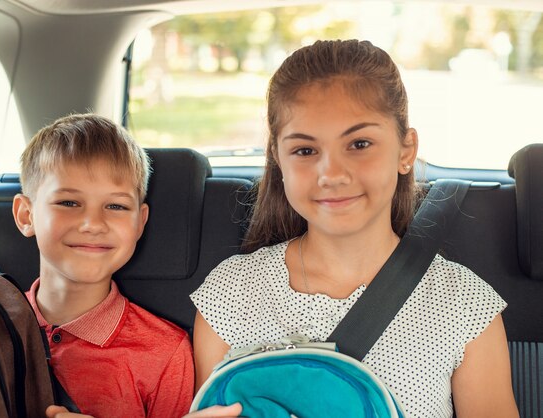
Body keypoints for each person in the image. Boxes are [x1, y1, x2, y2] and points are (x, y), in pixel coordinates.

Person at [191, 39, 519, 417]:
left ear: (405, 151)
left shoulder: (463, 305)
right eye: (305, 150)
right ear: (278, 159)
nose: (331, 174)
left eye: (359, 143)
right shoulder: (230, 294)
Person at [12, 113, 199, 418]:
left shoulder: (166, 353)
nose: (93, 224)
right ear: (26, 215)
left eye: (116, 206)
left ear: (140, 222)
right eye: (69, 203)